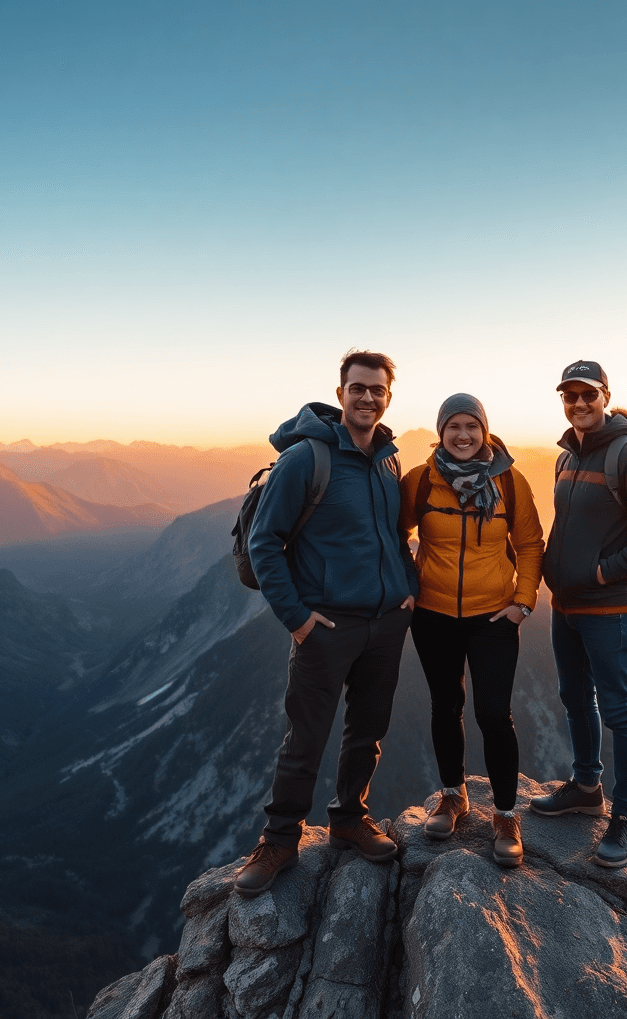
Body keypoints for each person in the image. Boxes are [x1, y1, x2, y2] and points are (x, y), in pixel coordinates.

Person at [234, 350, 418, 896]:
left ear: (389, 397)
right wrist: (296, 618)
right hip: (326, 624)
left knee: (369, 728)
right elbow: (265, 543)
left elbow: (394, 533)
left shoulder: (388, 460)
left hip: (385, 621)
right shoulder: (306, 458)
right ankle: (279, 840)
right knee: (306, 735)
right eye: (357, 388)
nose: (367, 398)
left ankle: (347, 819)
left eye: (377, 390)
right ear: (340, 394)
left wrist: (406, 588)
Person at [532, 360, 627, 867]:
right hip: (565, 605)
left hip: (608, 606)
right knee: (575, 696)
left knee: (618, 708)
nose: (578, 403)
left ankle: (625, 815)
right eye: (569, 396)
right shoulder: (565, 457)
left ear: (606, 396)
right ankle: (586, 786)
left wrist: (603, 572)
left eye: (587, 395)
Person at [399, 394, 544, 867]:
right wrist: (406, 583)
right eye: (454, 426)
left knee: (493, 714)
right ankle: (453, 796)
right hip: (433, 612)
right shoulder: (419, 482)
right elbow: (395, 534)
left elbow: (528, 544)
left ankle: (505, 815)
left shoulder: (509, 481)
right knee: (446, 704)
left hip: (493, 615)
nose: (463, 435)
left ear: (485, 431)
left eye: (472, 426)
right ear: (440, 431)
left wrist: (523, 602)